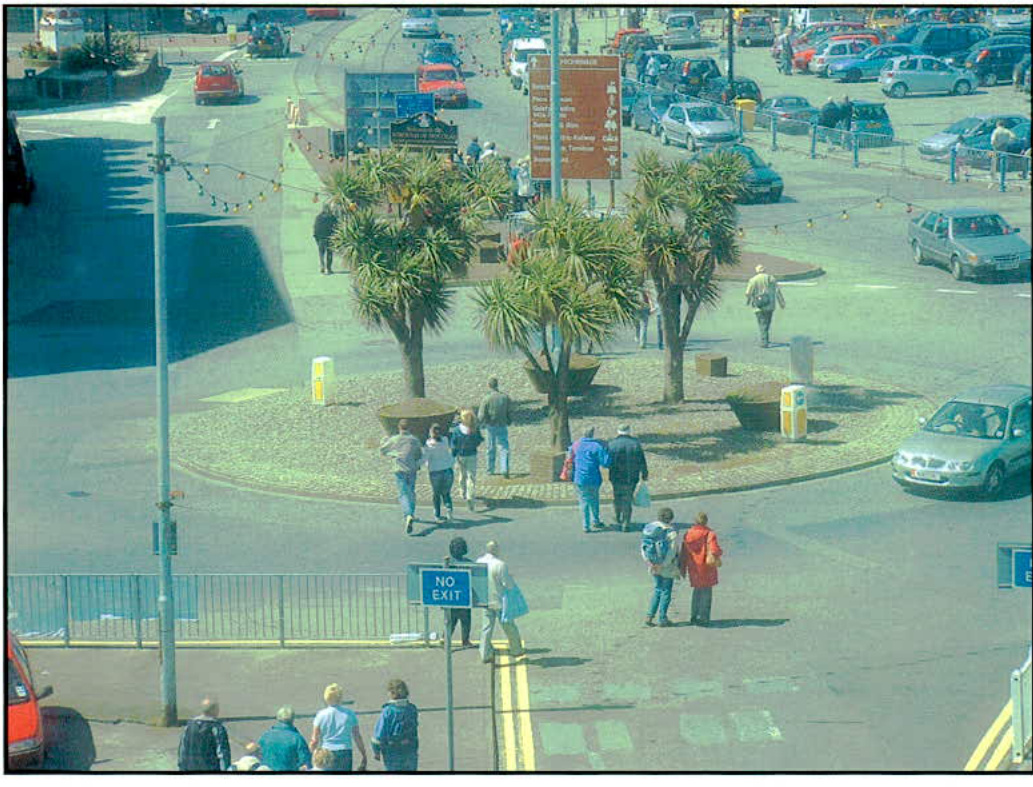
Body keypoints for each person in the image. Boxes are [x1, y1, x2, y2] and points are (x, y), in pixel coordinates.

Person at [477, 540, 525, 662]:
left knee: (486, 628)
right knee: (509, 625)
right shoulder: (500, 564)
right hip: (499, 600)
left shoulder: (479, 562)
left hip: (485, 600)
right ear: (496, 550)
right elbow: (508, 585)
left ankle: (484, 653)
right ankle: (516, 650)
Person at [310, 683, 369, 772]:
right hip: (345, 751)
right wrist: (363, 754)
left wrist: (312, 754)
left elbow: (314, 740)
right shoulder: (349, 714)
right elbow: (357, 736)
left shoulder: (321, 715)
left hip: (326, 752)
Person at [679, 512, 723, 626]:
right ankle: (704, 617)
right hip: (706, 567)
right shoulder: (709, 533)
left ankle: (694, 615)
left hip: (693, 566)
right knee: (707, 592)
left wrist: (682, 567)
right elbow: (714, 550)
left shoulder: (688, 534)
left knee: (697, 591)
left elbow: (684, 552)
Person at [380, 419, 423, 535]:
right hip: (412, 469)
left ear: (399, 428)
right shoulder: (414, 440)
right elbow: (419, 454)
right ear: (410, 428)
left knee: (403, 493)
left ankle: (408, 514)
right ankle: (412, 514)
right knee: (411, 492)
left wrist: (390, 451)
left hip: (399, 469)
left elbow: (383, 450)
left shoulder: (394, 439)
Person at [641, 507, 681, 627]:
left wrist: (650, 563)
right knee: (666, 591)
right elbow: (672, 551)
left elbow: (643, 548)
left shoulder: (649, 529)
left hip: (652, 564)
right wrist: (663, 565)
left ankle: (649, 616)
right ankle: (662, 618)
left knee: (657, 589)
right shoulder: (670, 531)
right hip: (665, 566)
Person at [569, 426, 611, 533]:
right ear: (593, 434)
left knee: (583, 501)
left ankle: (585, 525)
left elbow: (570, 457)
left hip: (579, 478)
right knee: (594, 499)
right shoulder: (596, 446)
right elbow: (605, 463)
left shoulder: (576, 444)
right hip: (594, 477)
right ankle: (595, 520)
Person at [607, 424, 649, 532]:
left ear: (618, 431)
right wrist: (644, 473)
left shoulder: (612, 444)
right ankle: (626, 521)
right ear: (629, 431)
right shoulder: (635, 444)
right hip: (631, 476)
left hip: (616, 476)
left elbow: (607, 461)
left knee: (617, 496)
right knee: (627, 499)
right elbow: (642, 460)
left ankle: (618, 515)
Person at [371, 679, 419, 772]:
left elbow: (379, 735)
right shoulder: (412, 708)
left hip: (392, 752)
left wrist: (376, 751)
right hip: (410, 750)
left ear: (391, 693)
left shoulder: (388, 711)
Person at [178, 696, 231, 772]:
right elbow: (222, 753)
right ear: (214, 710)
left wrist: (181, 767)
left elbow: (182, 750)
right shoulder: (217, 728)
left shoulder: (189, 726)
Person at [257, 706, 312, 772]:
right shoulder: (297, 739)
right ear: (292, 719)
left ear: (278, 718)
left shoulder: (265, 736)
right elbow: (305, 762)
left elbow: (257, 756)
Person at [478, 377, 513, 478]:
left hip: (491, 425)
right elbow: (509, 411)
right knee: (504, 446)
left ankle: (490, 469)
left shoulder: (487, 398)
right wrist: (509, 420)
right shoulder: (505, 397)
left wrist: (479, 423)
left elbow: (481, 415)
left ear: (489, 385)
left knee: (490, 447)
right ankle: (504, 468)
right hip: (502, 424)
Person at [744, 264, 785, 348]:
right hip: (770, 305)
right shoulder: (771, 278)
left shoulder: (753, 280)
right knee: (767, 322)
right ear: (765, 270)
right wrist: (781, 303)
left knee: (762, 323)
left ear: (757, 271)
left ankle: (764, 341)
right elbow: (777, 291)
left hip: (758, 305)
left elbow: (748, 293)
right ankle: (765, 337)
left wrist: (748, 301)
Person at [444, 536, 474, 648]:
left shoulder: (447, 563)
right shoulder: (469, 563)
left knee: (450, 621)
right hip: (464, 598)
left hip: (451, 598)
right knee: (465, 621)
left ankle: (445, 639)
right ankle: (465, 641)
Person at [450, 409, 483, 512]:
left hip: (461, 455)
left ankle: (462, 492)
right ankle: (470, 496)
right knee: (471, 477)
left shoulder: (456, 430)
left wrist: (453, 454)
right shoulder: (475, 429)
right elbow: (479, 440)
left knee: (462, 474)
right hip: (472, 454)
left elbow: (453, 444)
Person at [423, 423, 455, 524]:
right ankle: (449, 509)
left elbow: (425, 458)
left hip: (435, 472)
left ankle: (437, 515)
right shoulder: (445, 440)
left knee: (436, 494)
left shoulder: (429, 444)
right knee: (446, 493)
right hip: (448, 470)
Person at [313, 204, 337, 275]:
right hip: (330, 238)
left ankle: (322, 267)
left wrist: (316, 237)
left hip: (321, 238)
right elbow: (337, 228)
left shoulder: (319, 217)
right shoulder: (332, 217)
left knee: (321, 254)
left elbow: (316, 228)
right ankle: (328, 268)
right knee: (329, 253)